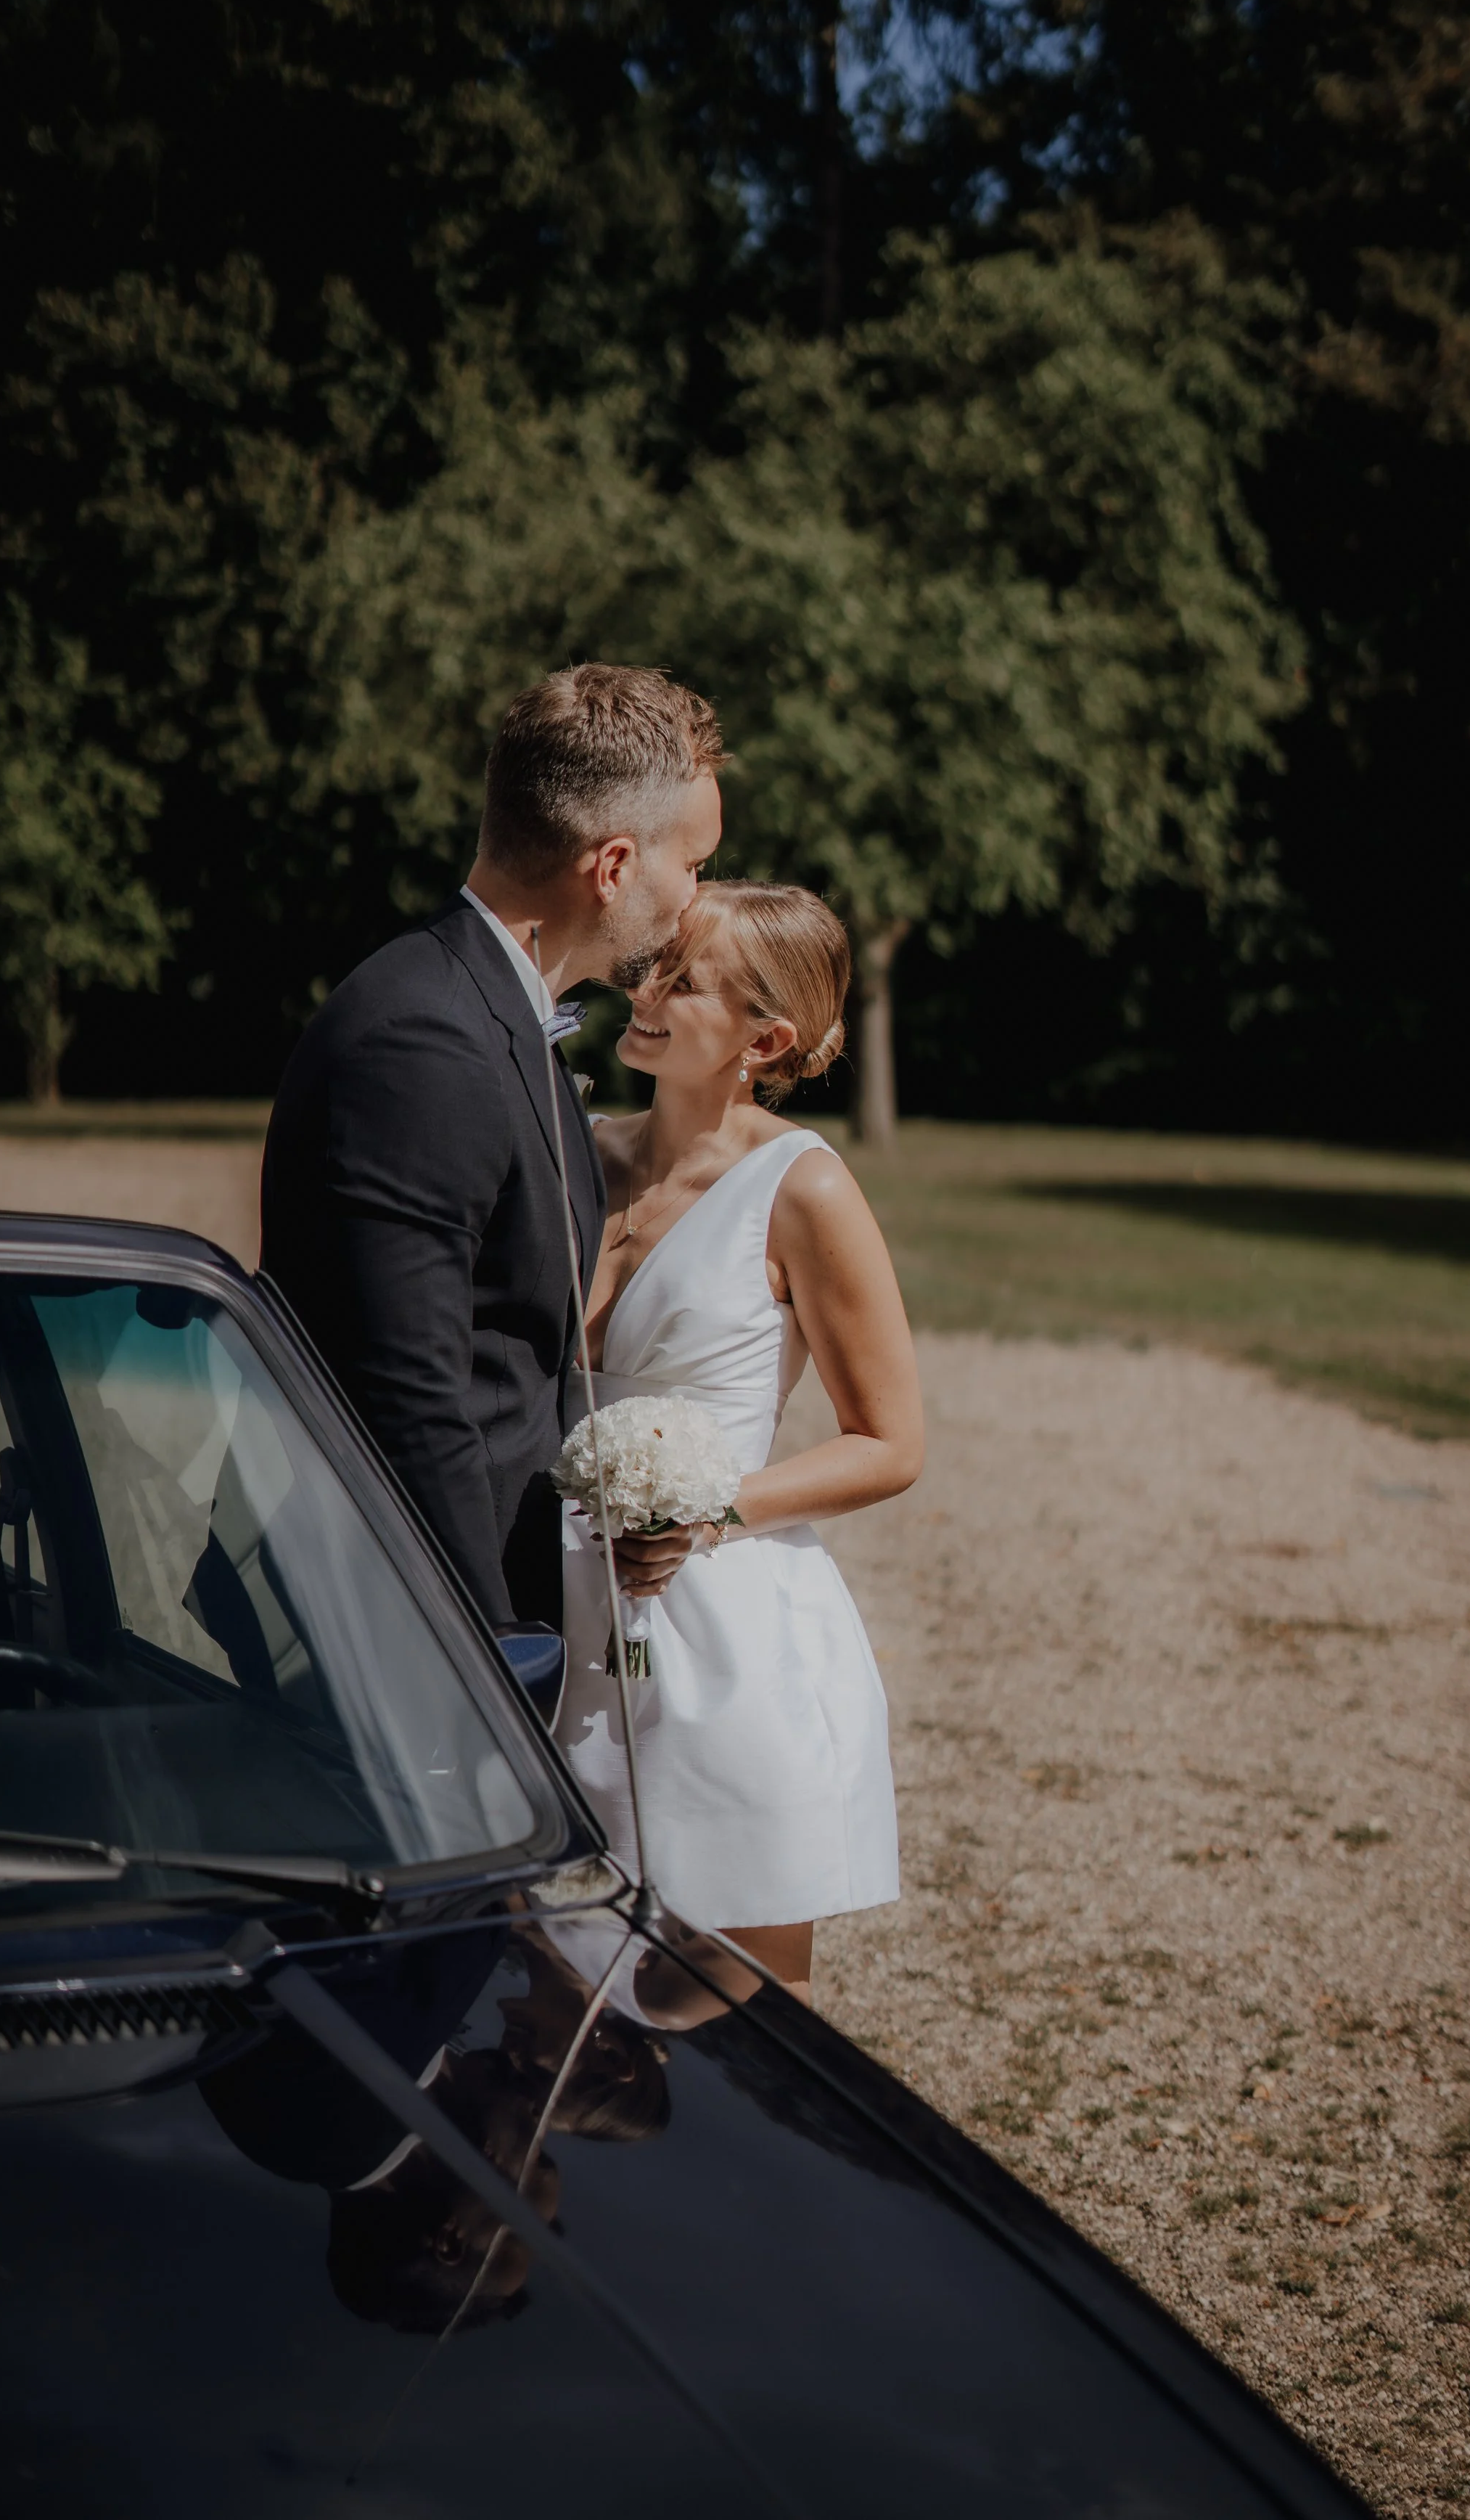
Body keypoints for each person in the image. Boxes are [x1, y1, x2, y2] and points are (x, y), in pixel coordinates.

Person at [260, 664, 723, 1635]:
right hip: (403, 1623)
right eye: (694, 864)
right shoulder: (424, 1042)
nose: (697, 896)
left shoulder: (497, 1011)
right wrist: (485, 1665)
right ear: (613, 867)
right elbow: (410, 1397)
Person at [555, 882, 924, 2002]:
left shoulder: (801, 1188)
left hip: (725, 1636)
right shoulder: (578, 1150)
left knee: (726, 2019)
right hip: (551, 1613)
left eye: (682, 978)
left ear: (764, 1038)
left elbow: (889, 1440)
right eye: (652, 963)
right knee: (542, 2012)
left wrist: (705, 1512)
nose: (645, 988)